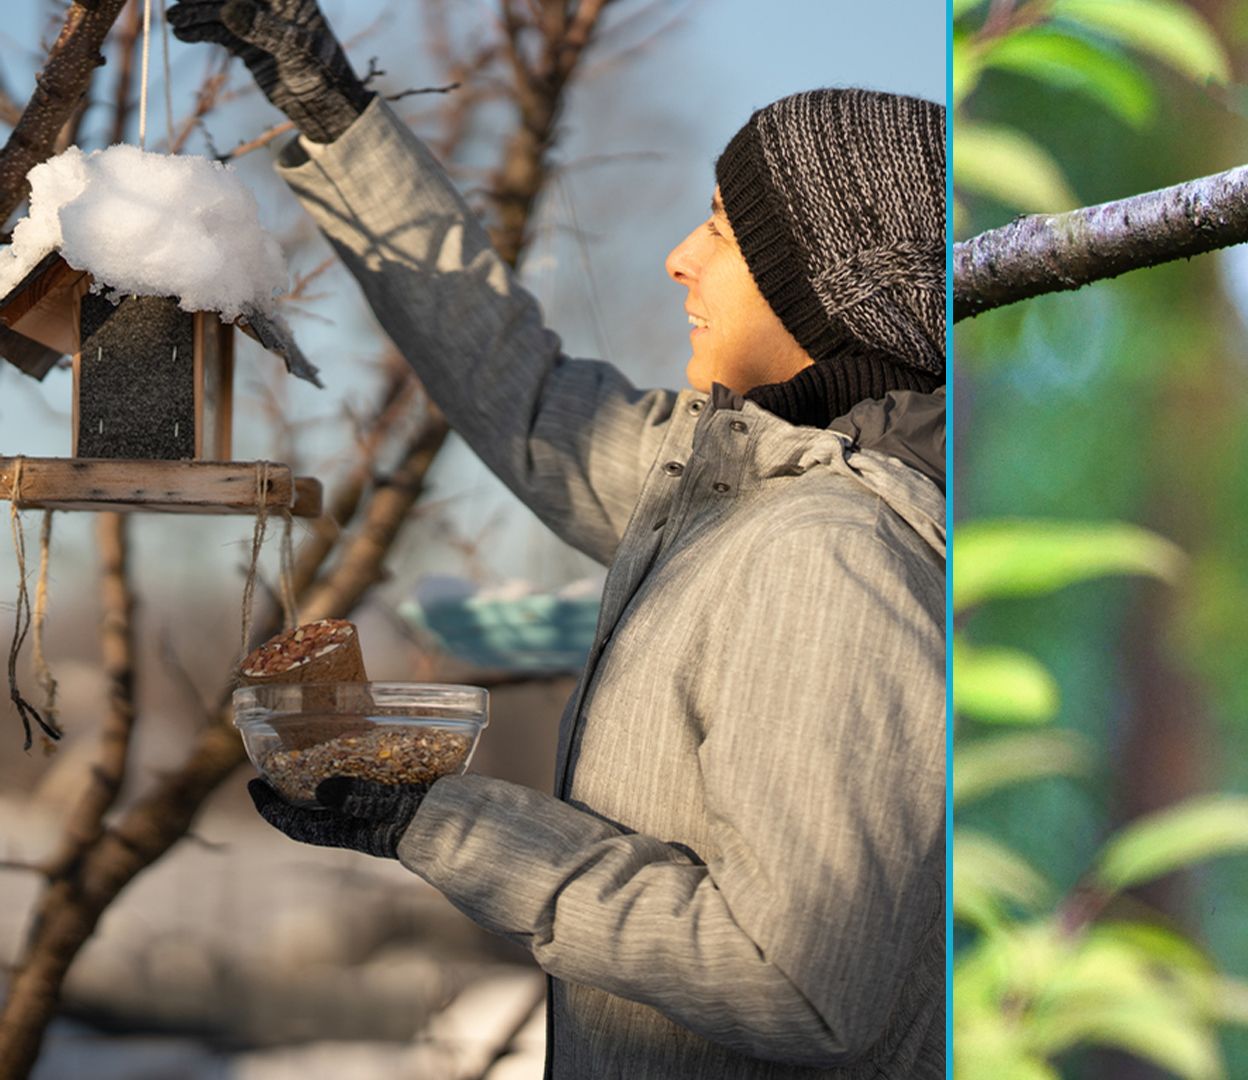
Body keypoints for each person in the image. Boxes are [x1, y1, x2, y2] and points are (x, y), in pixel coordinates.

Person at [168, 3, 947, 1077]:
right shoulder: (739, 489)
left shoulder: (830, 553)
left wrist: (452, 829)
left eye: (721, 230)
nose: (679, 260)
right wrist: (331, 108)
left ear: (826, 289)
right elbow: (521, 393)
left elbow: (796, 981)